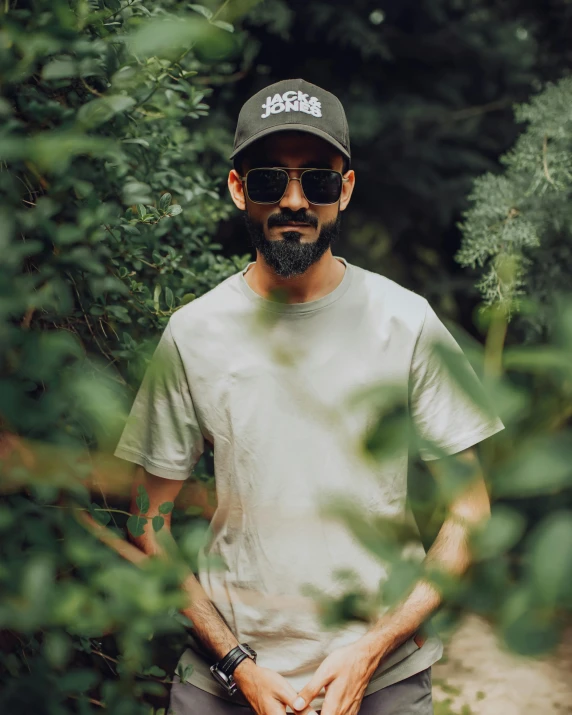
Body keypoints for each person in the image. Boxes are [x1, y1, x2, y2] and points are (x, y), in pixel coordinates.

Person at [114, 78, 504, 715]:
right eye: (270, 179)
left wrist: (371, 649)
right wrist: (238, 665)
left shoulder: (407, 324)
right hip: (222, 685)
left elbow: (470, 511)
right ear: (239, 188)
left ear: (344, 190)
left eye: (317, 181)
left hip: (382, 683)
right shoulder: (192, 332)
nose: (294, 200)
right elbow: (148, 523)